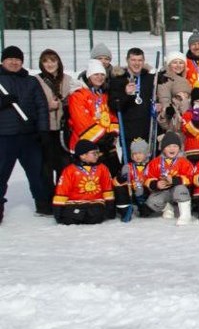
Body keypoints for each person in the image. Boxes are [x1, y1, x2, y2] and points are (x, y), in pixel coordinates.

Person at [0, 45, 51, 222]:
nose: (14, 62)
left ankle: (43, 203)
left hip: (29, 136)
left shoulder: (31, 81)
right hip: (5, 136)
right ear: (3, 61)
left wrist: (43, 130)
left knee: (37, 172)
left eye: (18, 59)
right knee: (1, 172)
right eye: (10, 59)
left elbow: (41, 106)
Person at [34, 49, 76, 197]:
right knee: (46, 166)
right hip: (45, 129)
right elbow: (32, 104)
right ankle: (48, 197)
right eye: (46, 61)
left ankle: (61, 194)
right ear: (41, 63)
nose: (50, 64)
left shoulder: (68, 79)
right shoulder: (36, 80)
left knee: (64, 165)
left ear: (58, 62)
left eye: (53, 60)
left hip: (63, 129)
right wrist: (47, 107)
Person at [66, 59, 120, 171]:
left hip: (105, 146)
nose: (99, 77)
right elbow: (81, 121)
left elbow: (111, 115)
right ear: (89, 76)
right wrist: (102, 137)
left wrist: (113, 133)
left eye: (102, 74)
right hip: (86, 146)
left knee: (110, 176)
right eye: (96, 74)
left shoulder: (103, 94)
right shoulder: (78, 95)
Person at [51, 138, 114, 225]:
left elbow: (107, 188)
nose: (97, 155)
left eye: (97, 153)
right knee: (70, 219)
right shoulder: (69, 170)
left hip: (95, 203)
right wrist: (58, 211)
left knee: (96, 217)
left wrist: (110, 207)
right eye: (93, 153)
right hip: (74, 203)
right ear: (82, 155)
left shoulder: (102, 168)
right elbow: (62, 190)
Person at [143, 131, 194, 225]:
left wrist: (175, 180)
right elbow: (147, 178)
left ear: (179, 148)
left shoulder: (184, 162)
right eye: (168, 146)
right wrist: (156, 184)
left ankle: (186, 215)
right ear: (163, 149)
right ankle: (168, 208)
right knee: (151, 202)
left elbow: (190, 177)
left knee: (180, 188)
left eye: (175, 146)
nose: (172, 149)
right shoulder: (155, 162)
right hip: (163, 191)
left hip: (177, 190)